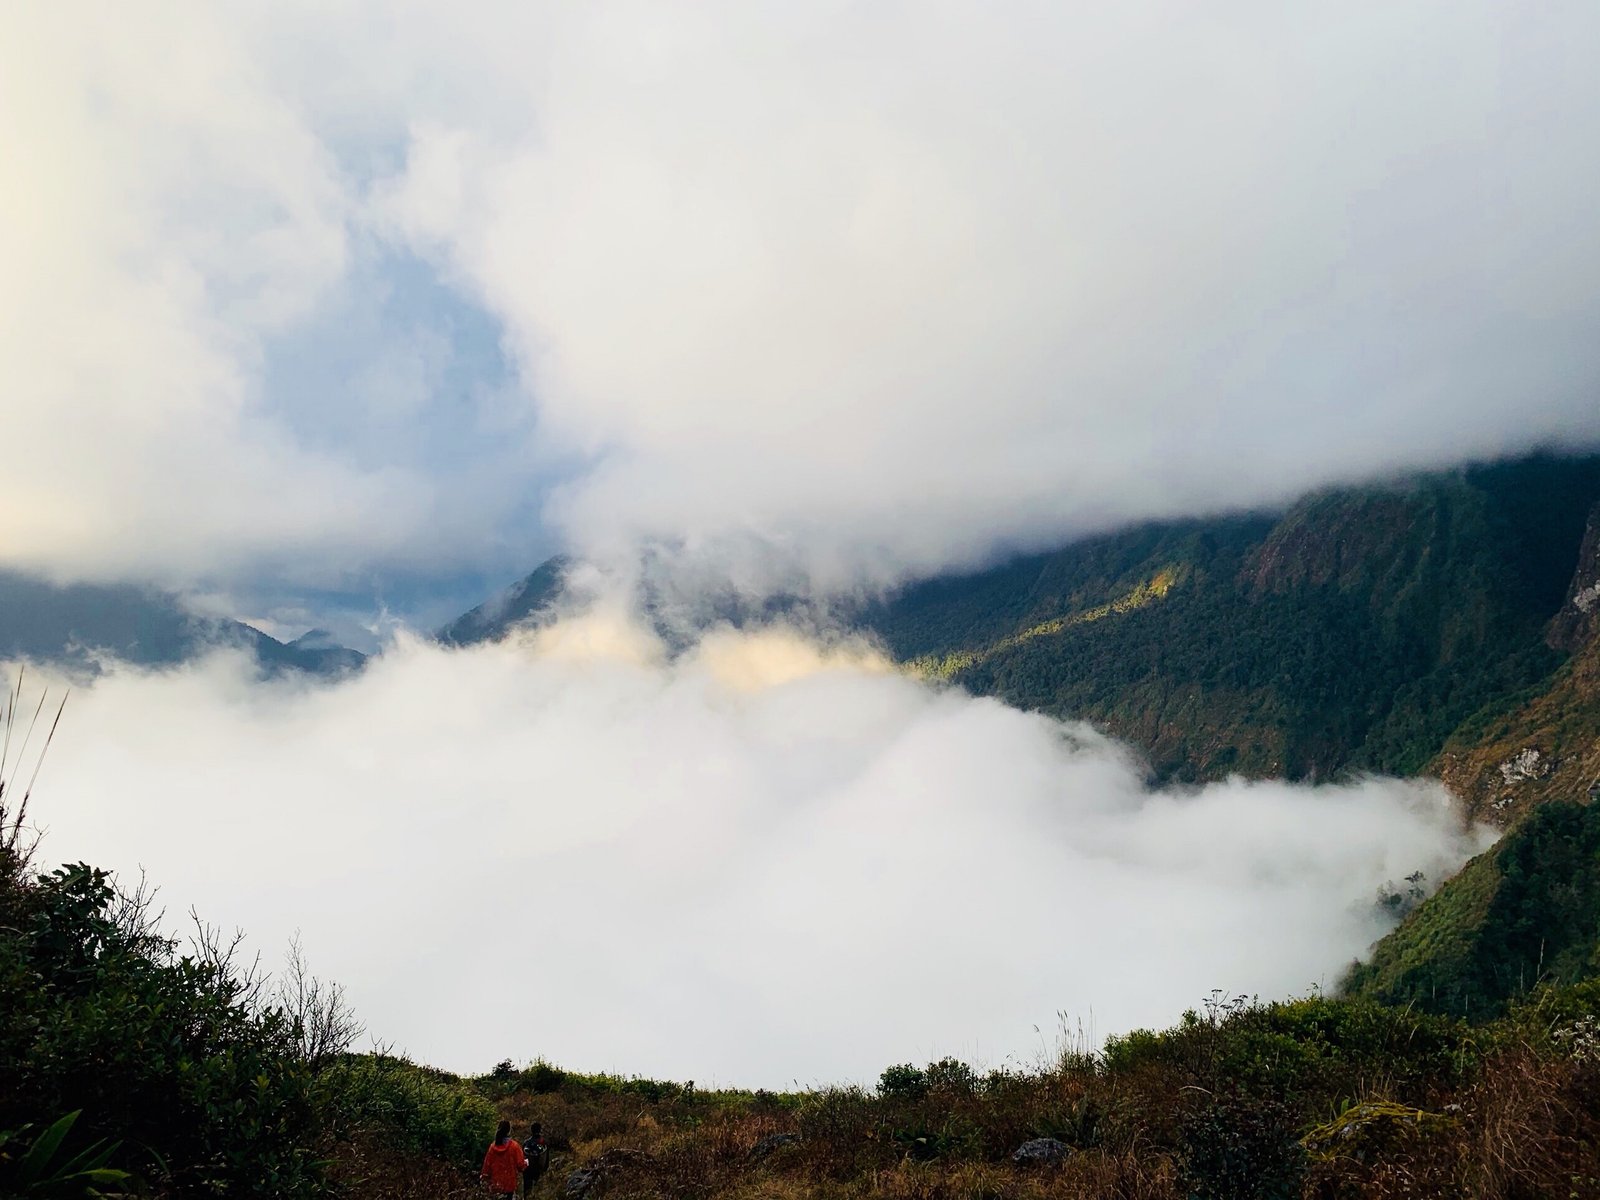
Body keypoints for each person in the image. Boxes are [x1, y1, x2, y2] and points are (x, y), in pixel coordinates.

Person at [480, 1120, 527, 1199]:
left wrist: (484, 1181)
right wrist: (526, 1163)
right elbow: (521, 1166)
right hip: (510, 1186)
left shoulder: (492, 1147)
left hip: (495, 1186)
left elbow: (486, 1168)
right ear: (509, 1131)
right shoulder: (514, 1146)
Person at [522, 1122, 548, 1196]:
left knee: (527, 1191)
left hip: (528, 1171)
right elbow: (546, 1158)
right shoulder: (543, 1143)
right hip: (540, 1170)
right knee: (539, 1191)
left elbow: (523, 1158)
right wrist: (545, 1169)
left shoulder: (526, 1143)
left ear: (531, 1130)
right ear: (540, 1130)